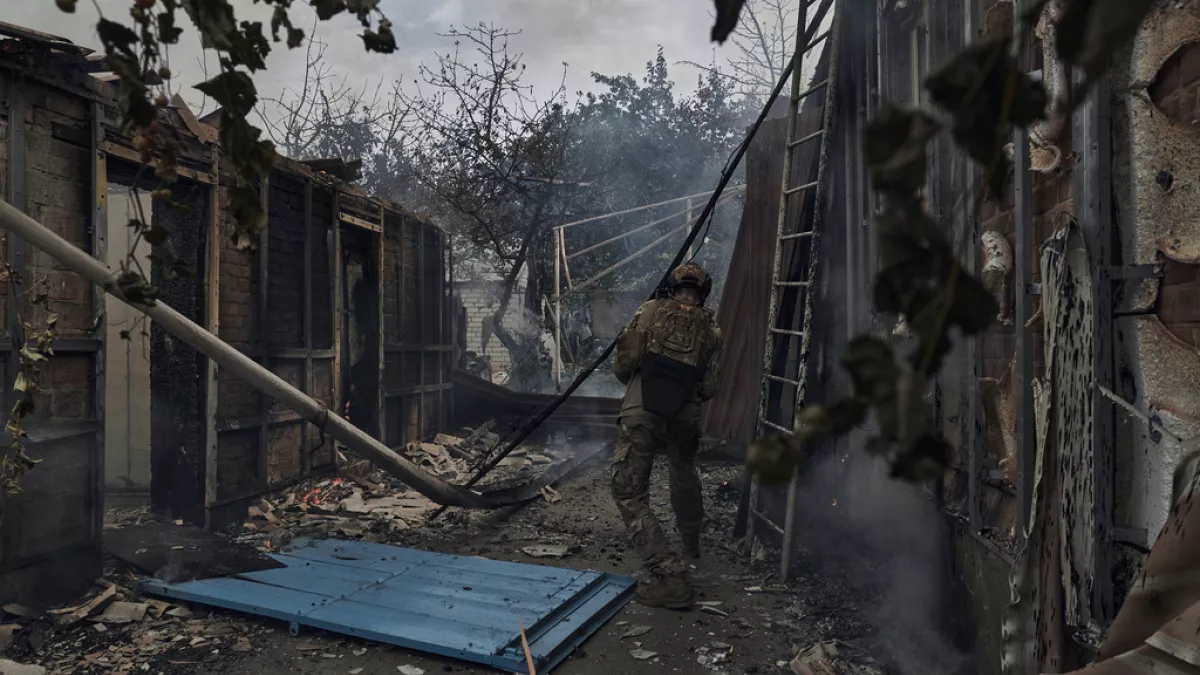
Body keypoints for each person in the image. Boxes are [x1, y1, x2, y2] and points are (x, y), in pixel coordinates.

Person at [611, 263, 724, 609]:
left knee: (629, 493)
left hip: (642, 410)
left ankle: (670, 576)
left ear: (671, 287)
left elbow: (623, 364)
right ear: (703, 293)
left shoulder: (649, 311)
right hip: (684, 417)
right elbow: (710, 386)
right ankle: (690, 547)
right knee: (683, 471)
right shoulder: (712, 329)